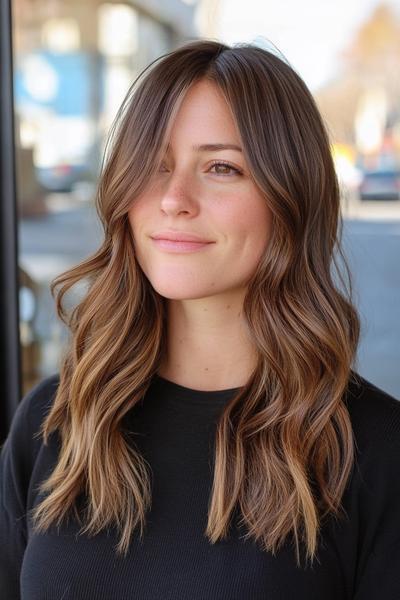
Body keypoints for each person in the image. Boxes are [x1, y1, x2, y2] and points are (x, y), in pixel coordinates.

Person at [1, 39, 400, 600]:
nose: (173, 199)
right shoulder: (55, 421)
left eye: (221, 167)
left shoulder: (375, 452)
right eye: (153, 165)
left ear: (292, 197)